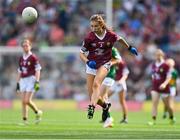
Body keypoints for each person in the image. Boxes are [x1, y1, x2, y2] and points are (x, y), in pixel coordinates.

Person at [79, 14, 138, 120]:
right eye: (91, 26)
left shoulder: (110, 35)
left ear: (101, 25)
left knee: (96, 85)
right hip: (91, 65)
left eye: (96, 26)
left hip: (104, 63)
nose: (93, 28)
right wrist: (87, 62)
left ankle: (91, 107)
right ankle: (105, 106)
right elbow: (81, 53)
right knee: (93, 96)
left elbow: (120, 39)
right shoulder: (89, 37)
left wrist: (129, 47)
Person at [16, 39, 42, 125]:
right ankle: (25, 120)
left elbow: (38, 70)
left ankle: (37, 112)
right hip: (23, 80)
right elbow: (20, 71)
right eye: (23, 46)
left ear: (30, 46)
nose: (25, 47)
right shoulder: (21, 58)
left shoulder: (33, 57)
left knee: (27, 100)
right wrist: (17, 83)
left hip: (31, 79)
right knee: (23, 101)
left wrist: (37, 81)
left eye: (27, 45)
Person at [148, 49, 175, 125]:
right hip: (155, 87)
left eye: (159, 55)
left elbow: (169, 77)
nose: (157, 56)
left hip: (164, 88)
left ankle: (171, 117)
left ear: (162, 55)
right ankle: (153, 120)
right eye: (156, 55)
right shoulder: (153, 64)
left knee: (168, 106)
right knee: (154, 103)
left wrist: (164, 84)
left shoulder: (166, 65)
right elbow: (153, 74)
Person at [101, 58, 129, 124]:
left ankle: (125, 118)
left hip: (120, 83)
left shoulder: (121, 63)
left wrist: (122, 80)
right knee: (104, 98)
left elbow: (126, 73)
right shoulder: (111, 63)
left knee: (122, 101)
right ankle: (106, 117)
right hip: (113, 83)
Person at [99, 47, 122, 127]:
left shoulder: (113, 49)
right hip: (102, 76)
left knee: (100, 97)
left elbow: (119, 60)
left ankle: (108, 118)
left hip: (109, 75)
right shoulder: (99, 48)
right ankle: (108, 119)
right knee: (104, 97)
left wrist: (111, 63)